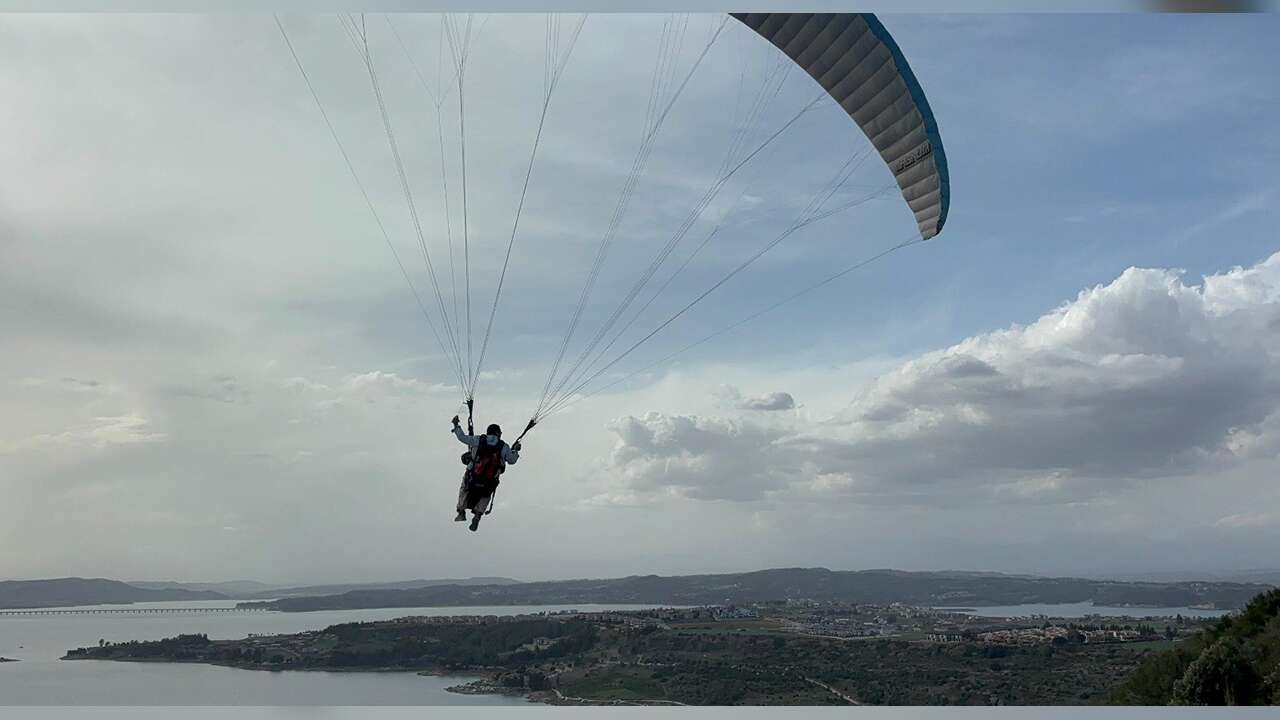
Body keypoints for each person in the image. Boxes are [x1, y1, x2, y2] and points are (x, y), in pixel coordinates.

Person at [451, 415, 520, 531]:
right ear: (498, 433)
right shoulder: (504, 446)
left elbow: (462, 437)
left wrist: (456, 425)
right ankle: (478, 515)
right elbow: (512, 460)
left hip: (474, 476)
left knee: (464, 488)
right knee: (486, 494)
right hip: (489, 480)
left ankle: (461, 511)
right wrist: (516, 450)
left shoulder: (478, 440)